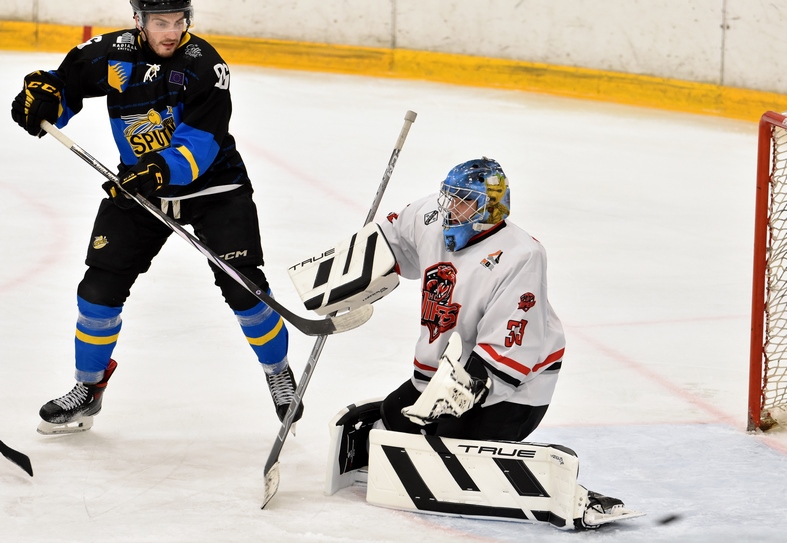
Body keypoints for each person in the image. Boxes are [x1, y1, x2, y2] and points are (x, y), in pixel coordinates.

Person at [10, 0, 302, 434]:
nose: (171, 31)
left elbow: (201, 142)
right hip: (140, 186)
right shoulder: (110, 53)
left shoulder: (204, 65)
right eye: (160, 22)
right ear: (138, 21)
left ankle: (277, 371)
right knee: (98, 289)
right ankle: (88, 388)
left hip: (214, 188)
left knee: (244, 287)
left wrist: (160, 170)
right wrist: (44, 103)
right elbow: (64, 86)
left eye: (179, 21)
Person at [377, 156, 565, 440]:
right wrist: (346, 277)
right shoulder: (431, 218)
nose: (451, 207)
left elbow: (510, 348)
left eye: (464, 201)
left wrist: (464, 388)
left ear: (490, 208)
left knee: (446, 443)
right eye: (450, 197)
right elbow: (388, 242)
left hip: (513, 390)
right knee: (391, 420)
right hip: (447, 372)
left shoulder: (521, 256)